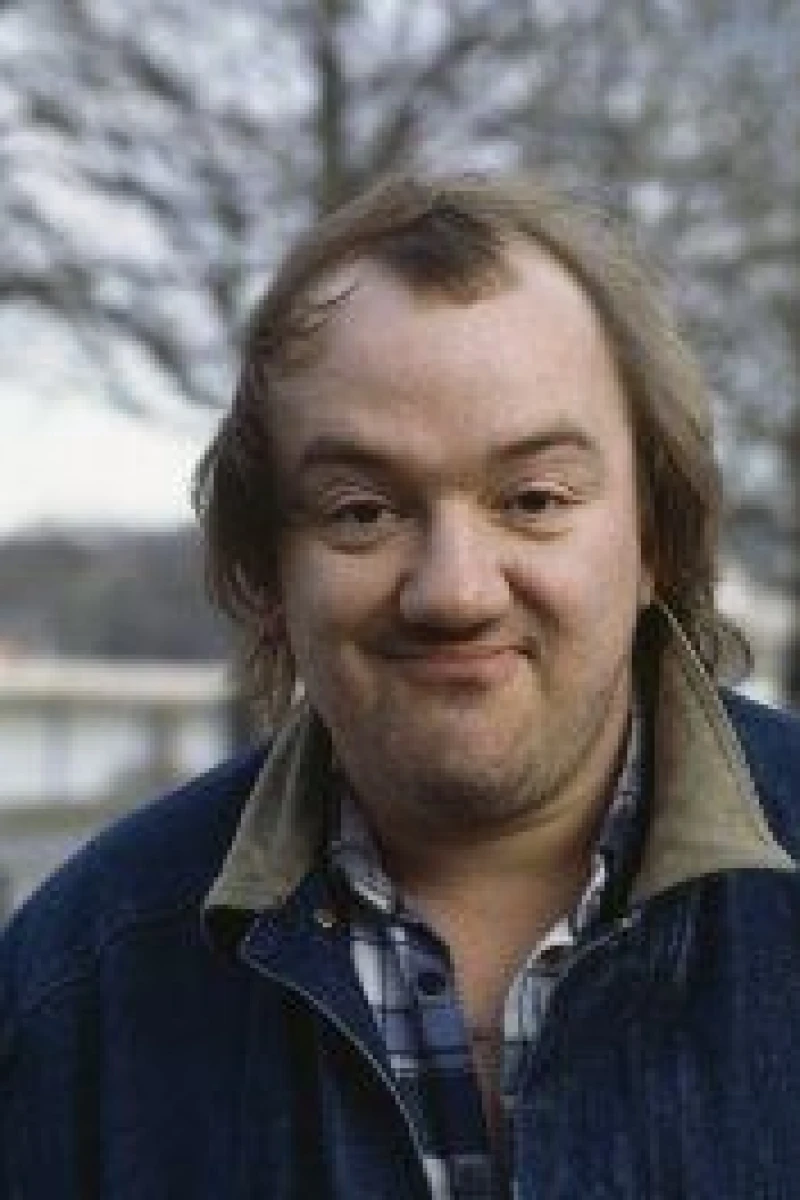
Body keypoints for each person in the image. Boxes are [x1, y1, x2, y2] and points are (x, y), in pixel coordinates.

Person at [2, 171, 799, 1199]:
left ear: (654, 536)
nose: (455, 592)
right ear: (268, 574)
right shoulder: (75, 993)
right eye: (362, 512)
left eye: (533, 498)